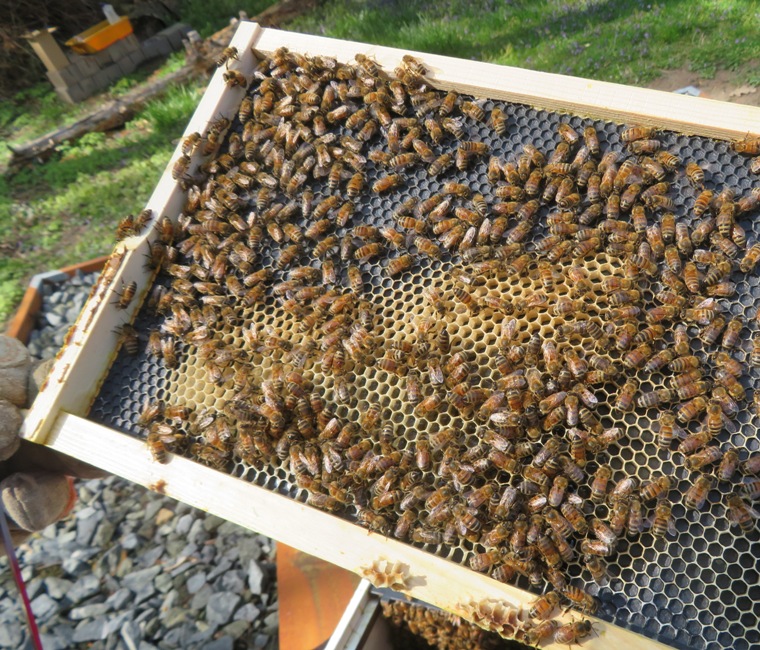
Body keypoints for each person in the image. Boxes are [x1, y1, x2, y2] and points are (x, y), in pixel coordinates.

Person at [0, 335, 104, 556]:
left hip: (20, 403)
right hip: (23, 467)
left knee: (44, 384)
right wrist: (8, 521)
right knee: (26, 502)